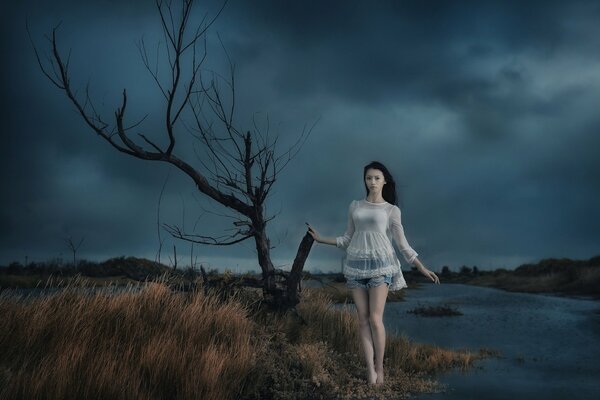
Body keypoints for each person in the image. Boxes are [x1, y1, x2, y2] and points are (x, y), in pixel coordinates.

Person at [306, 160, 440, 385]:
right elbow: (347, 239)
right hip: (356, 267)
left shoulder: (391, 210)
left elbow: (403, 245)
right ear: (365, 181)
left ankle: (380, 366)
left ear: (384, 181)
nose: (372, 182)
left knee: (376, 319)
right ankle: (370, 369)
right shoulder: (355, 205)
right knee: (362, 321)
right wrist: (320, 239)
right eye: (369, 178)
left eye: (377, 178)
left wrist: (421, 267)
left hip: (382, 266)